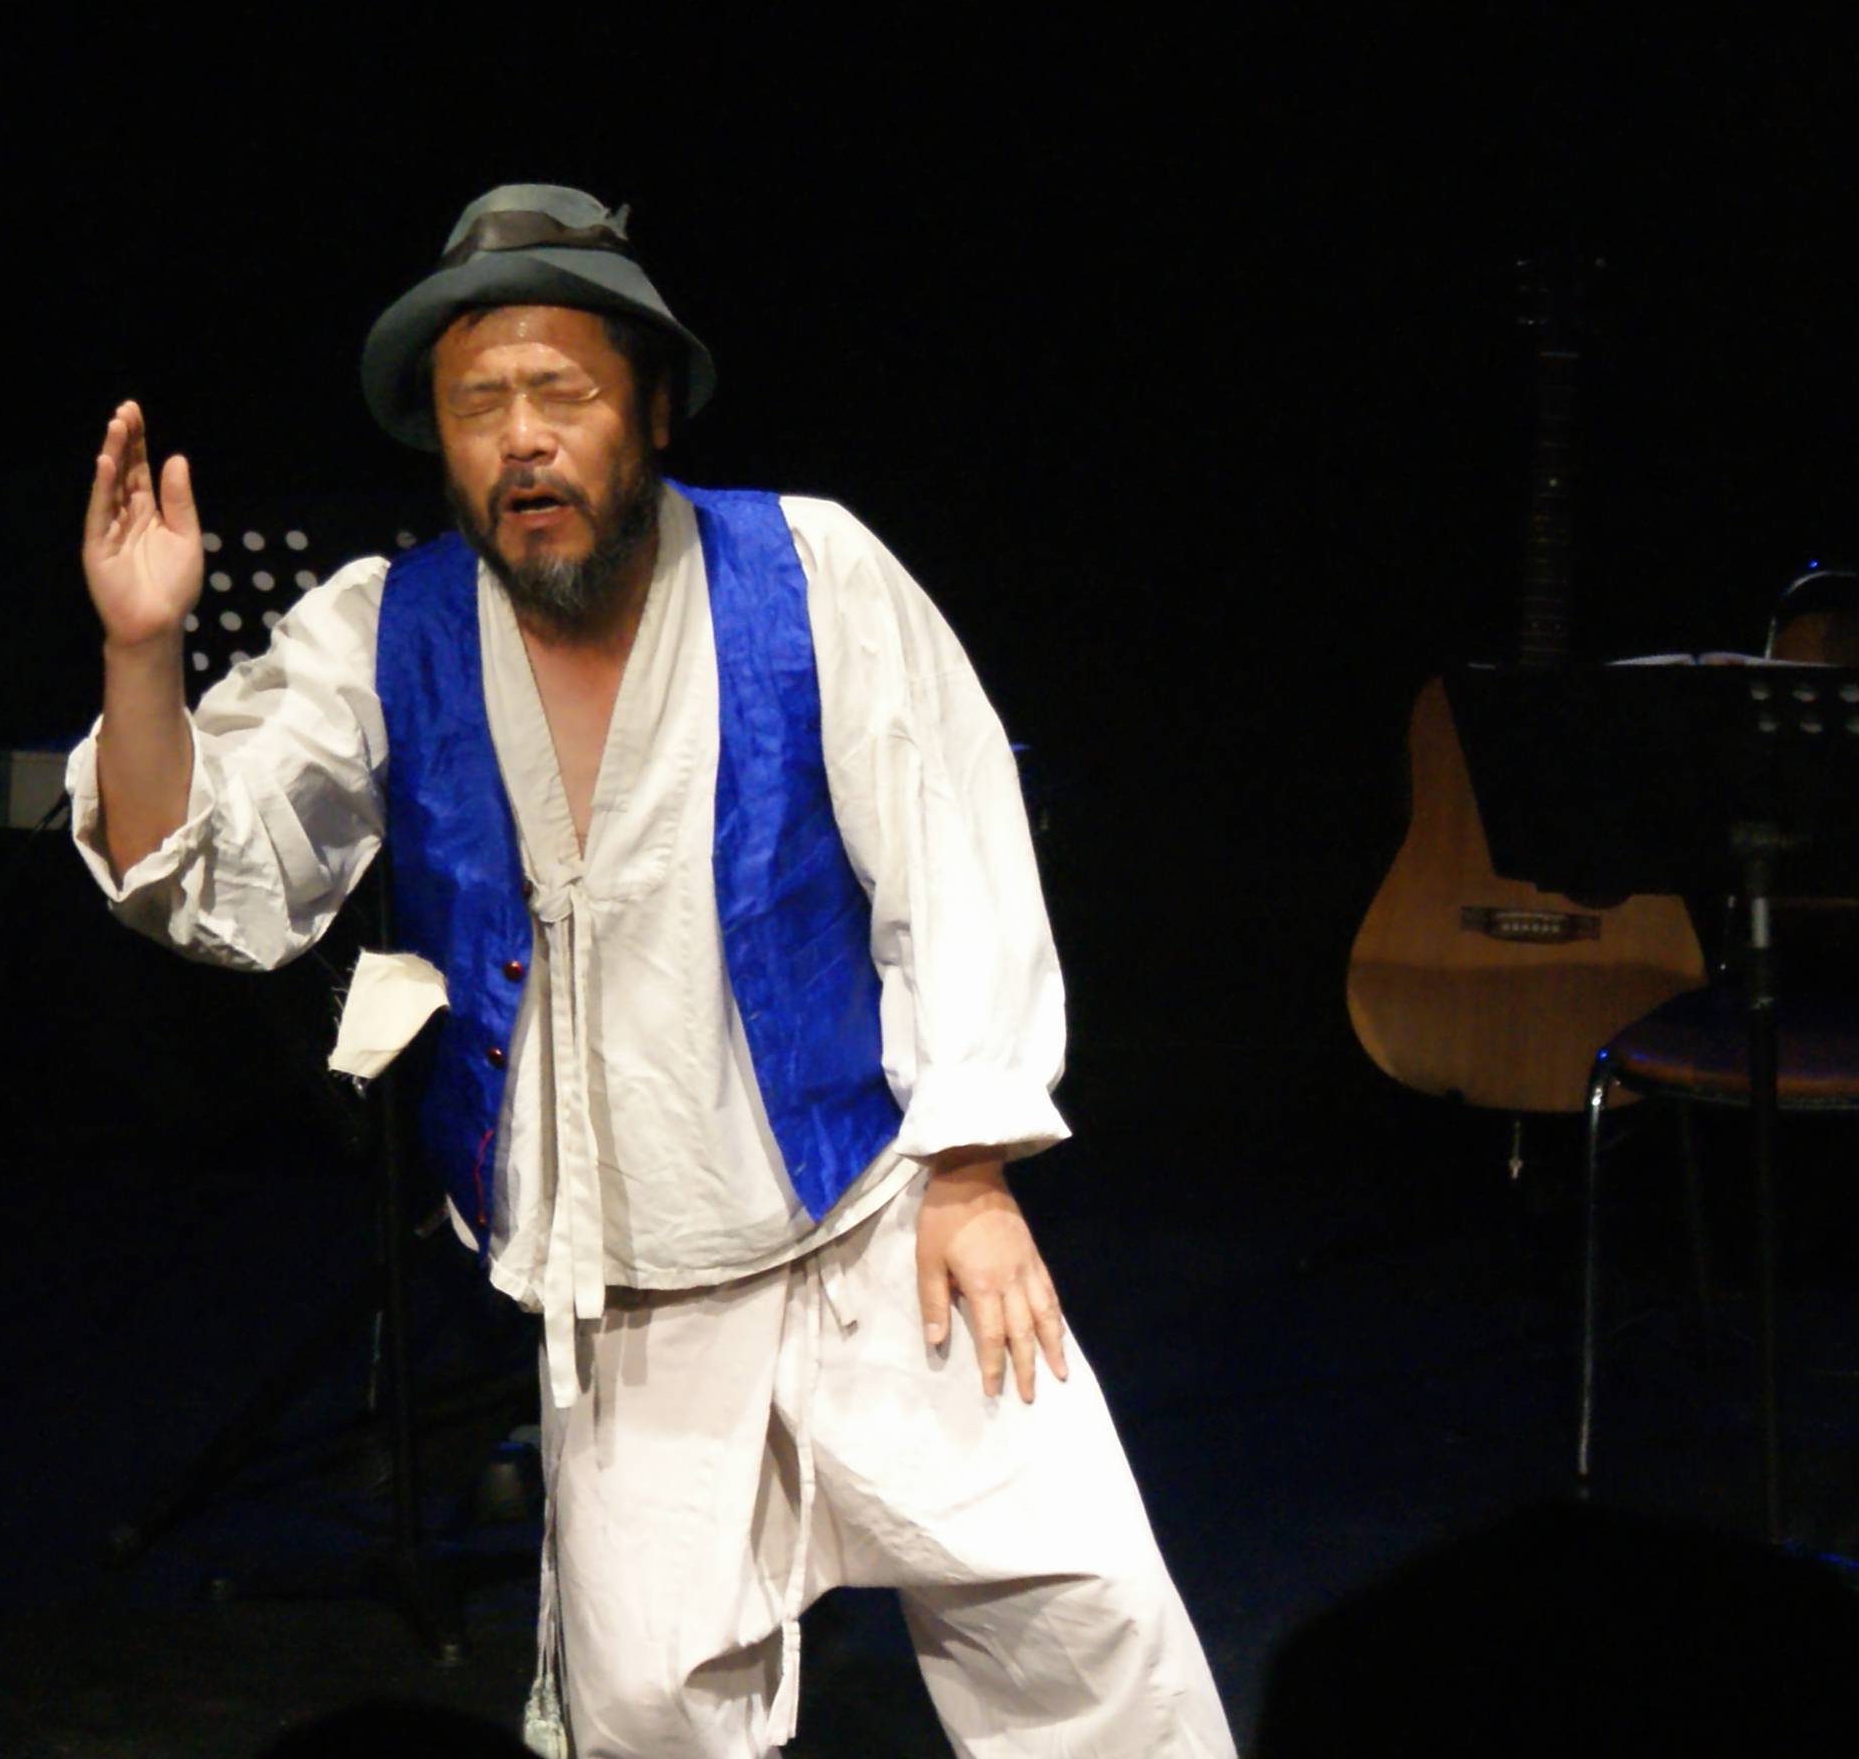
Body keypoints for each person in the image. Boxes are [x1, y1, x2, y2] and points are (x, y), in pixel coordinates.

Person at [67, 185, 1233, 1759]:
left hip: (874, 1229)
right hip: (623, 1305)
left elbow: (954, 852)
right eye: (478, 406)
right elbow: (202, 877)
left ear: (654, 410)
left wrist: (969, 1172)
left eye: (562, 393)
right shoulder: (387, 631)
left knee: (1082, 1626)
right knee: (649, 1721)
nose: (520, 440)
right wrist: (142, 653)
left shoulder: (807, 570)